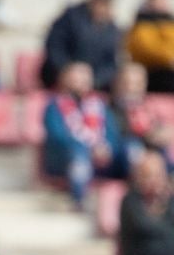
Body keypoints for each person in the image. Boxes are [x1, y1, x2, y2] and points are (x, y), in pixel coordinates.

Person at [42, 62, 121, 207]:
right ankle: (79, 200)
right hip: (66, 159)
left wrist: (107, 148)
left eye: (85, 78)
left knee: (132, 149)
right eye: (76, 78)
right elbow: (57, 137)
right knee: (79, 155)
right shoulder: (54, 106)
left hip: (101, 158)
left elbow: (112, 134)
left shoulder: (99, 105)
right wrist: (89, 149)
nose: (80, 82)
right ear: (65, 80)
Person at [41, 0, 120, 91]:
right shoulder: (71, 18)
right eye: (100, 4)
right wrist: (66, 69)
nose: (101, 9)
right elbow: (54, 45)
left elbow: (110, 63)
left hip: (94, 82)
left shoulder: (112, 30)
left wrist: (94, 79)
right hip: (61, 74)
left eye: (106, 5)